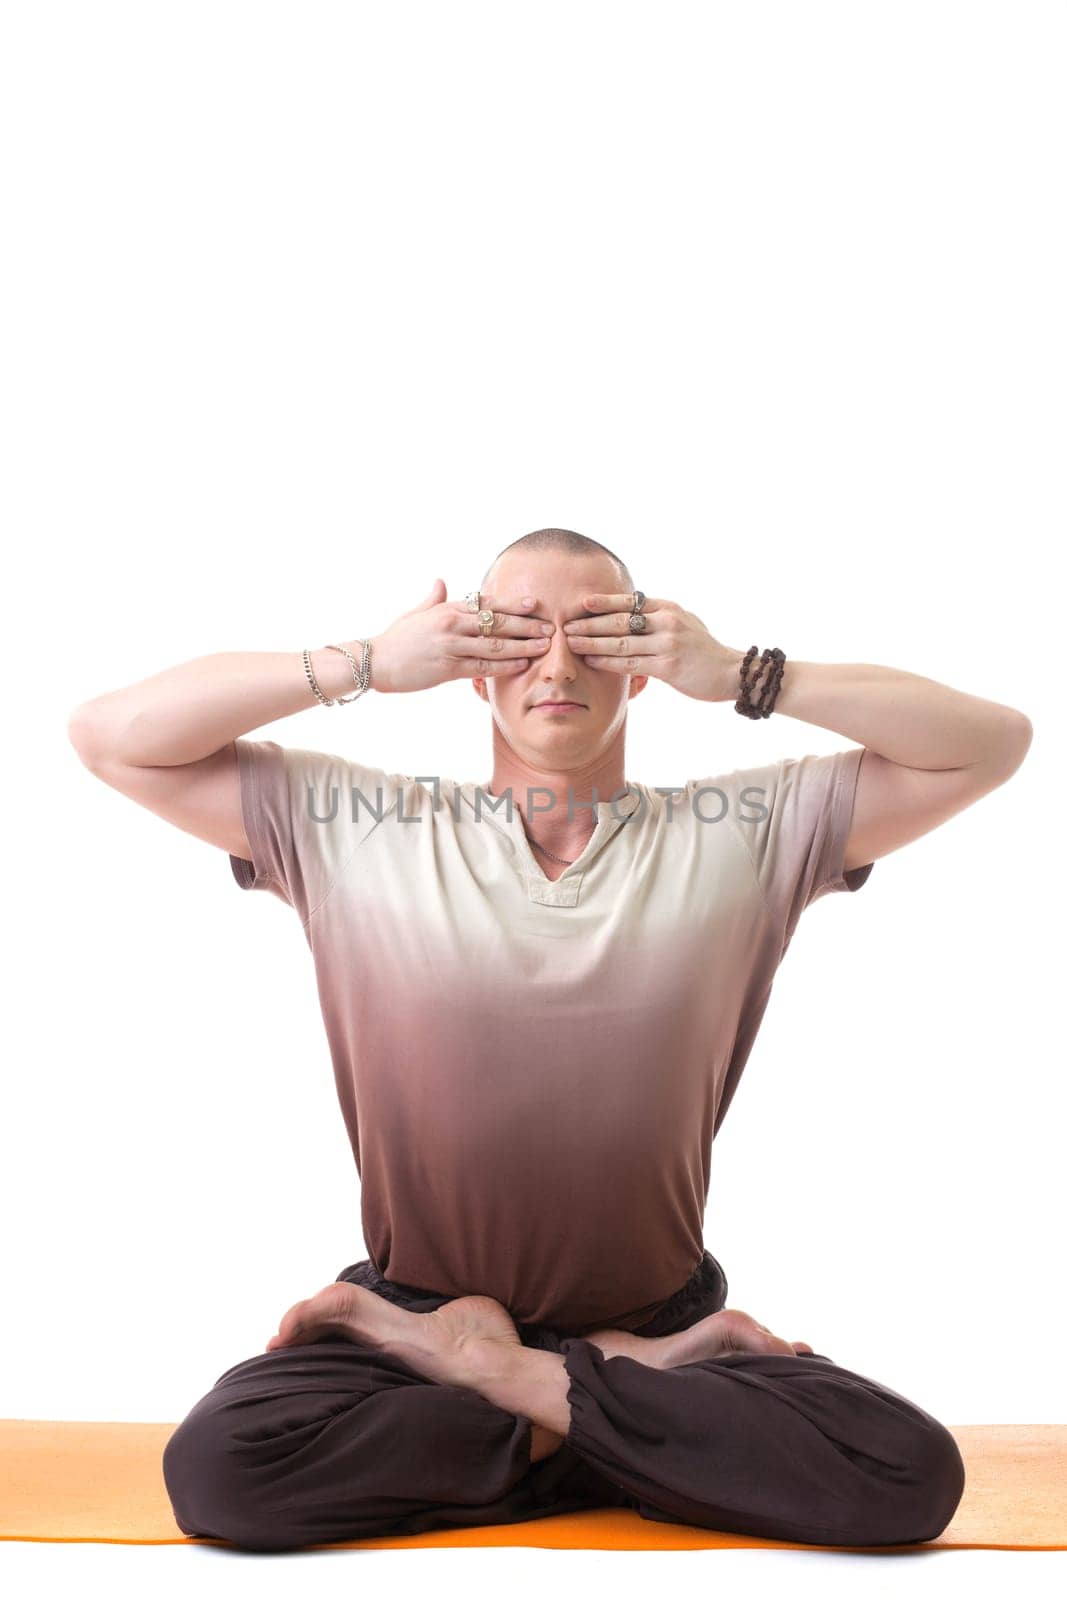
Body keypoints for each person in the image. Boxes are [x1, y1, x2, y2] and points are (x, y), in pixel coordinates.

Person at [68, 527, 1031, 1553]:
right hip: (426, 1319)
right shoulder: (353, 823)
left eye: (599, 634)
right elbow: (109, 735)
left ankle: (515, 1386)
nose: (559, 664)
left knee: (904, 1474)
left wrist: (734, 673)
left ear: (643, 665)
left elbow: (991, 741)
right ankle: (624, 1416)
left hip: (645, 1330)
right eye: (517, 635)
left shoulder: (745, 828)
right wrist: (363, 664)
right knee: (222, 1470)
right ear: (471, 672)